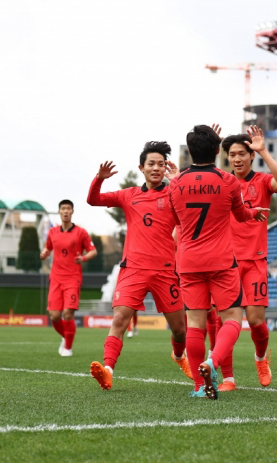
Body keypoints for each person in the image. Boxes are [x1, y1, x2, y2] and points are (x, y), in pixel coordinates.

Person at [170, 124, 268, 399]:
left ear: (189, 151)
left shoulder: (176, 183)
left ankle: (199, 388)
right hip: (221, 260)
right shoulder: (228, 181)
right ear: (217, 151)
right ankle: (212, 363)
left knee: (195, 323)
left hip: (188, 260)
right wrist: (254, 212)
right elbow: (240, 215)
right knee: (233, 318)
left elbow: (176, 221)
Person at [86, 143, 192, 390]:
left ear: (166, 167)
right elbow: (93, 200)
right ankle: (108, 370)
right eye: (151, 164)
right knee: (120, 319)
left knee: (179, 330)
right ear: (141, 168)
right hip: (133, 268)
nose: (156, 168)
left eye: (161, 164)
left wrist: (177, 182)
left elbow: (191, 214)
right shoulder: (128, 195)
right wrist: (98, 179)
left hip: (166, 270)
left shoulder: (173, 194)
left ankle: (178, 355)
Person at [212, 126, 277, 391]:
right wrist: (210, 146)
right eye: (232, 154)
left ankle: (260, 359)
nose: (237, 158)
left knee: (256, 321)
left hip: (255, 261)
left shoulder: (262, 181)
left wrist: (264, 150)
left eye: (242, 154)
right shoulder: (222, 182)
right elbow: (199, 183)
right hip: (226, 263)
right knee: (226, 323)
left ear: (250, 155)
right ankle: (229, 379)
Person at [40, 200, 97, 357]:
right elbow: (48, 247)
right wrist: (44, 253)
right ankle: (67, 336)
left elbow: (93, 251)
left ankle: (68, 348)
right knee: (54, 316)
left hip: (73, 278)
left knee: (68, 314)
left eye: (68, 209)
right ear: (59, 211)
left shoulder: (81, 232)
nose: (65, 211)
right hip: (56, 278)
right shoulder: (52, 232)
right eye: (63, 209)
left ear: (72, 212)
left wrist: (83, 259)